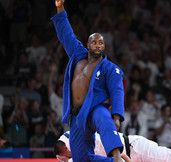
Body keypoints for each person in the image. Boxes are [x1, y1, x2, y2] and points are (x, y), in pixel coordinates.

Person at [51, 0, 126, 161]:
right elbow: (66, 33)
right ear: (88, 44)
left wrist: (117, 117)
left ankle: (117, 156)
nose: (97, 45)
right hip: (76, 115)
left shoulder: (109, 68)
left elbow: (117, 91)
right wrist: (60, 7)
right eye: (94, 42)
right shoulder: (78, 55)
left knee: (104, 117)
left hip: (94, 109)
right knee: (82, 159)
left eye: (101, 43)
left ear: (104, 46)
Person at [55, 131, 171, 162]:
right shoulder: (65, 148)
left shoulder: (86, 138)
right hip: (125, 156)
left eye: (67, 157)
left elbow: (120, 157)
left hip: (134, 148)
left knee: (169, 158)